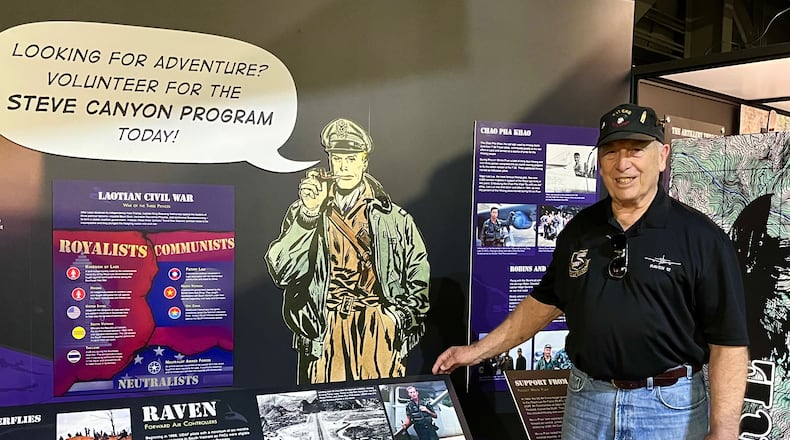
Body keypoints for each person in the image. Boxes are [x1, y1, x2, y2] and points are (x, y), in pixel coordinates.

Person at [433, 103, 749, 439]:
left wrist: (725, 428)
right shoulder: (580, 230)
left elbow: (728, 342)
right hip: (587, 404)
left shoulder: (701, 238)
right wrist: (476, 351)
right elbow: (545, 301)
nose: (622, 164)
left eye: (636, 150)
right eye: (610, 151)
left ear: (662, 156)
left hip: (668, 410)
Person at [267, 117, 430, 384]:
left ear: (364, 162)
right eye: (338, 158)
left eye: (352, 158)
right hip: (325, 328)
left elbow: (418, 275)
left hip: (377, 328)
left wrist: (398, 319)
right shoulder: (305, 211)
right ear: (329, 162)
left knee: (380, 408)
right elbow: (282, 272)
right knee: (327, 409)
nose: (344, 167)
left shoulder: (394, 217)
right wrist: (308, 214)